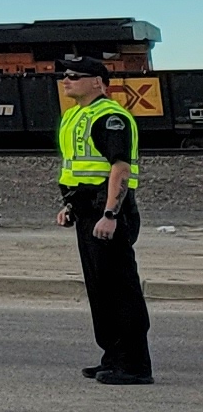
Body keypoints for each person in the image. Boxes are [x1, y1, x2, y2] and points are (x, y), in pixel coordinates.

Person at [55, 54, 154, 384]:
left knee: (121, 289)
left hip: (109, 212)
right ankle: (113, 357)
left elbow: (120, 167)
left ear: (97, 82)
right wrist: (71, 205)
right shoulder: (75, 116)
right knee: (101, 291)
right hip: (87, 211)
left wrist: (111, 213)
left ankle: (135, 365)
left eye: (74, 75)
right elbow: (79, 169)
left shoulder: (111, 117)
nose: (66, 80)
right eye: (64, 75)